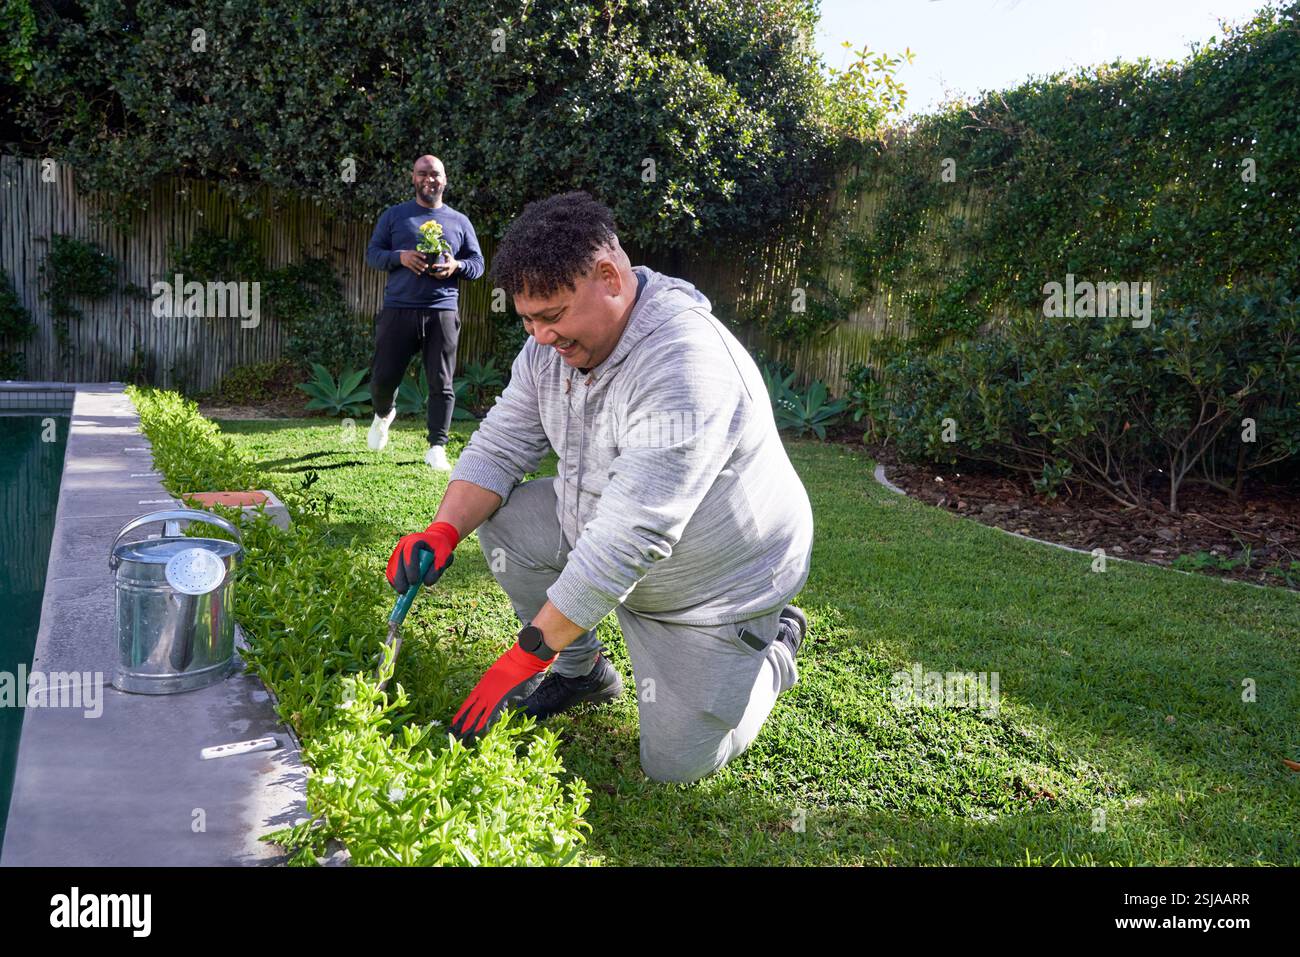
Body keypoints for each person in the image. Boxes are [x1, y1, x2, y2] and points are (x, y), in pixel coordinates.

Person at [385, 191, 814, 783]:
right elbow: (500, 446)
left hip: (712, 590)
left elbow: (630, 537)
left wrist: (530, 649)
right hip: (600, 529)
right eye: (528, 320)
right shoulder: (550, 350)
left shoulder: (684, 365)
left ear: (609, 277)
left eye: (552, 316)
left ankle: (776, 650)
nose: (539, 337)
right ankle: (581, 672)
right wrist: (443, 527)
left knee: (675, 768)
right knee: (506, 520)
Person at [364, 154, 484, 470]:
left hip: (441, 310)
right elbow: (373, 254)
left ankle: (437, 447)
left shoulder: (460, 221)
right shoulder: (395, 216)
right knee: (382, 378)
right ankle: (383, 414)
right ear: (413, 178)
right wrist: (400, 257)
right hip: (398, 310)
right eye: (422, 174)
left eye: (435, 174)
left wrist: (456, 266)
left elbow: (478, 265)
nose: (429, 179)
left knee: (441, 382)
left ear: (444, 179)